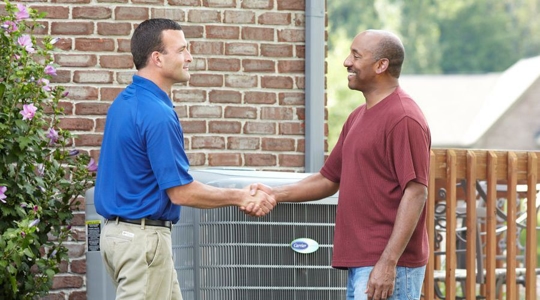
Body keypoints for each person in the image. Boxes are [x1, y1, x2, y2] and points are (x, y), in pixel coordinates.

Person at [94, 18, 276, 300]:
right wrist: (241, 197)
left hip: (124, 238)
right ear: (157, 58)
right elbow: (181, 192)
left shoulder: (125, 102)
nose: (189, 58)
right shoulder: (156, 113)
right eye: (181, 50)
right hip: (142, 241)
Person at [249, 30, 431, 300]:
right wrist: (276, 194)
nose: (347, 62)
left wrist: (388, 263)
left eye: (356, 56)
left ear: (381, 65)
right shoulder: (358, 117)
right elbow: (328, 179)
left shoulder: (403, 117)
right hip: (362, 264)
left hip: (386, 265)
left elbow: (416, 192)